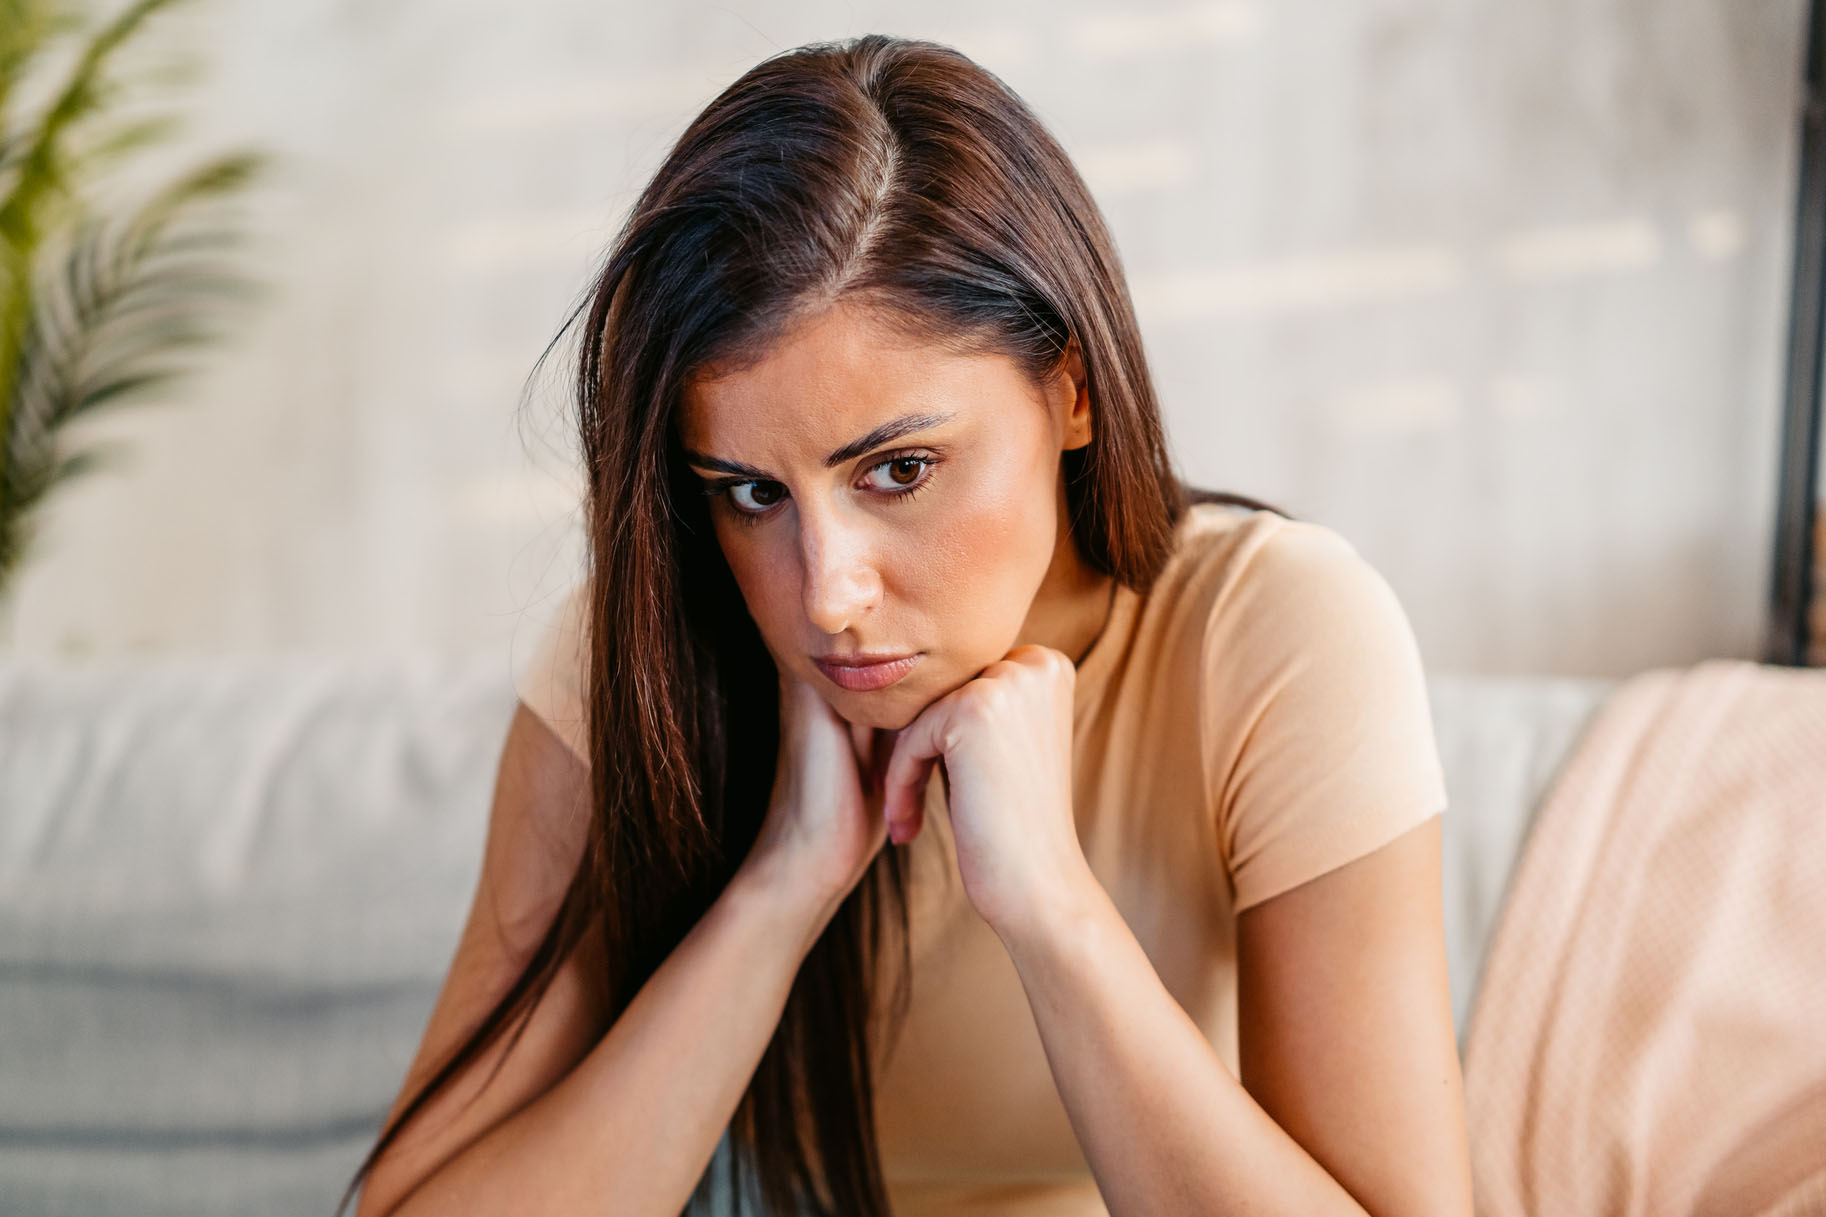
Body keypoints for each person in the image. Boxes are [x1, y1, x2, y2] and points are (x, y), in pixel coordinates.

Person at [340, 33, 1473, 1217]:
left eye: (898, 469)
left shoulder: (1276, 636)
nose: (824, 595)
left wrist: (1050, 910)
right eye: (750, 491)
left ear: (1071, 392)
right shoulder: (636, 659)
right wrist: (779, 889)